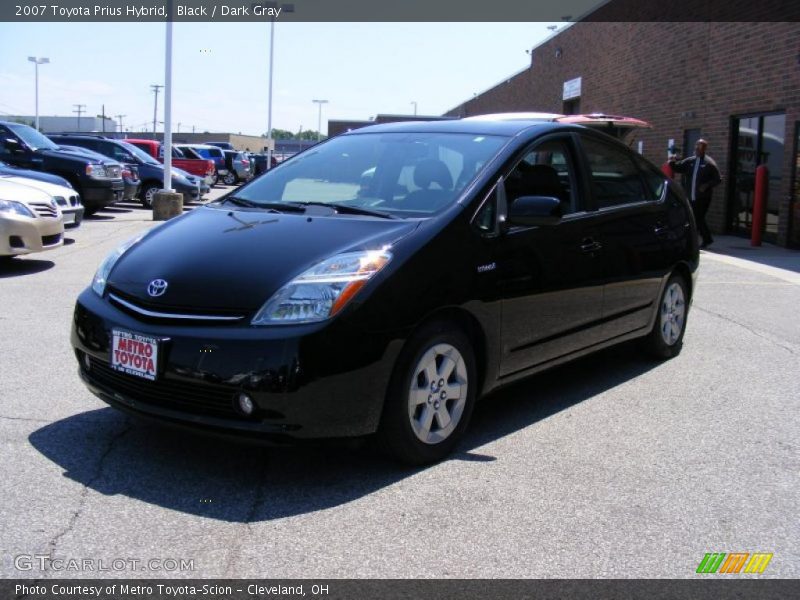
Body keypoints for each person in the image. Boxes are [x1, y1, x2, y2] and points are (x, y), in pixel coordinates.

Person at [669, 139, 722, 248]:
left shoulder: (709, 163)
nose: (697, 149)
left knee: (698, 217)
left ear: (704, 149)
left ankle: (700, 240)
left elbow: (718, 179)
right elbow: (677, 168)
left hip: (703, 197)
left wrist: (707, 185)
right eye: (696, 147)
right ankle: (705, 239)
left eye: (700, 147)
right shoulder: (690, 161)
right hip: (690, 196)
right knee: (695, 218)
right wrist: (672, 161)